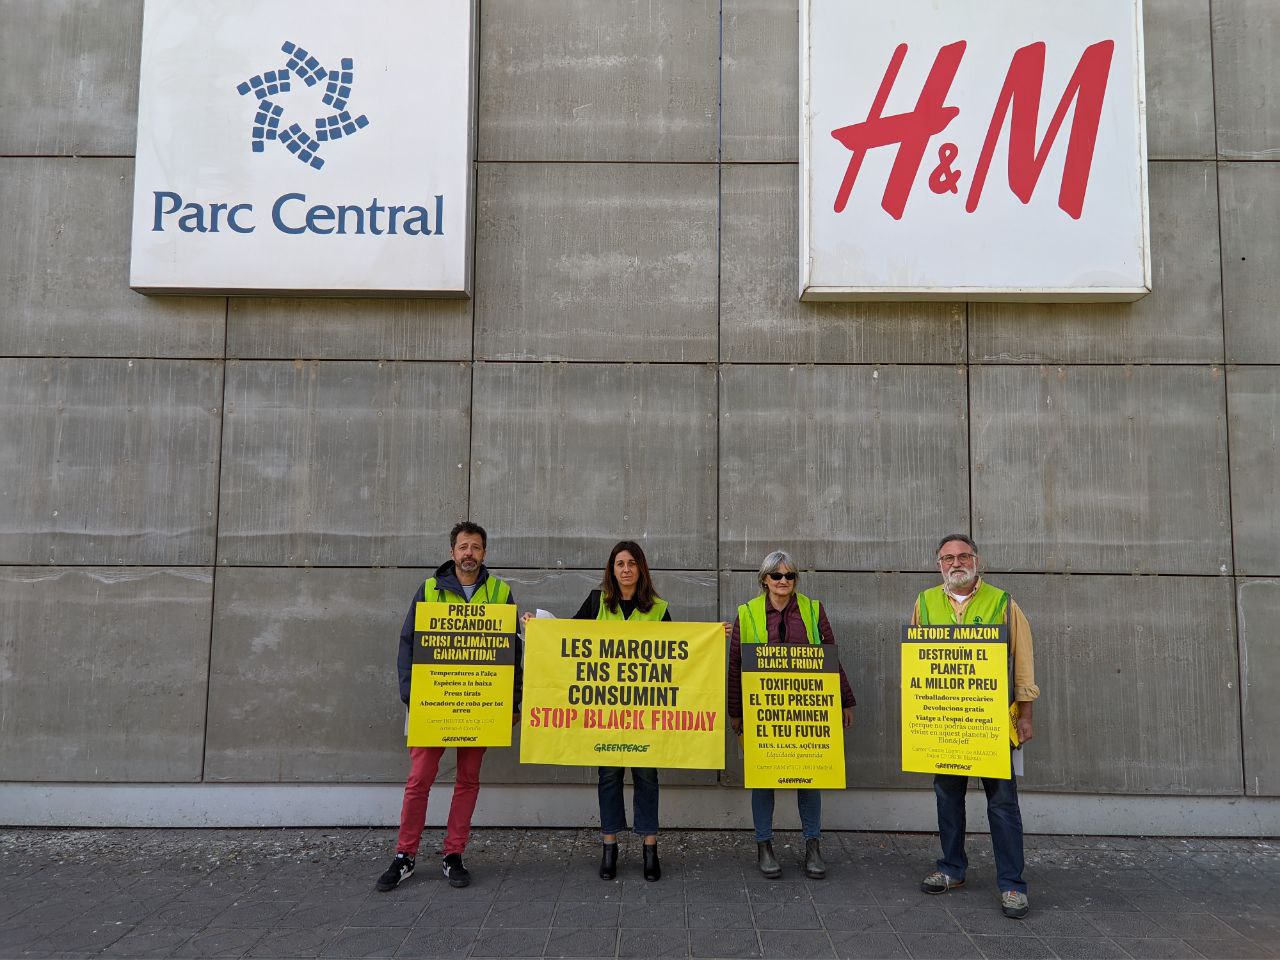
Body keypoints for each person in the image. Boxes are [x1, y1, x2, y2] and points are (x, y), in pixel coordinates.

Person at [375, 521, 519, 892]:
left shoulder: (501, 593)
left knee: (467, 781)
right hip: (433, 704)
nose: (469, 553)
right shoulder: (428, 590)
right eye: (462, 547)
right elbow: (408, 643)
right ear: (452, 552)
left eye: (475, 547)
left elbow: (512, 654)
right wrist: (411, 694)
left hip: (480, 705)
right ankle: (404, 855)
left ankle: (454, 854)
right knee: (418, 780)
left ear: (485, 553)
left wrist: (513, 700)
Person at [913, 533, 1039, 919]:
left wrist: (1026, 713)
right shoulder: (925, 602)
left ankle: (1012, 886)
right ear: (938, 565)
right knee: (947, 797)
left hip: (993, 723)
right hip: (945, 724)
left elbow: (1023, 659)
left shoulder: (1003, 602)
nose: (956, 563)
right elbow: (916, 658)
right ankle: (952, 869)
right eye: (947, 558)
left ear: (977, 560)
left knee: (1002, 804)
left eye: (963, 556)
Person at [727, 550, 855, 880]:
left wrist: (844, 701)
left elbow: (831, 656)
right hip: (764, 712)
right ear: (764, 579)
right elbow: (736, 666)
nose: (783, 581)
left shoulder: (813, 610)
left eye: (789, 576)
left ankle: (813, 846)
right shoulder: (748, 612)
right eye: (776, 576)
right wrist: (735, 713)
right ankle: (764, 846)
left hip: (809, 711)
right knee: (762, 780)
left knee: (811, 779)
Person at [572, 540, 671, 882]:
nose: (626, 569)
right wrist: (537, 627)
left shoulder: (658, 609)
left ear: (641, 568)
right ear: (611, 570)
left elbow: (682, 653)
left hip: (645, 714)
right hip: (607, 713)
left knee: (647, 778)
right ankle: (609, 846)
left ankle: (650, 847)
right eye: (619, 563)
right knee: (609, 778)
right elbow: (564, 640)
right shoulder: (596, 601)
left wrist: (712, 637)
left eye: (631, 563)